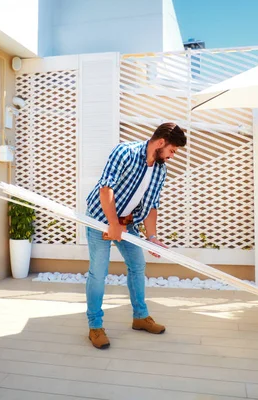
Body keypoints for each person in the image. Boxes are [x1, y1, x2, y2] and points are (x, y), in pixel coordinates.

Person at [84, 122, 187, 349]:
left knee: (137, 266)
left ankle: (140, 317)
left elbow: (152, 205)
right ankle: (95, 326)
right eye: (172, 151)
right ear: (161, 143)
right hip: (100, 220)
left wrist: (151, 237)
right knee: (99, 272)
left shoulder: (160, 169)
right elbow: (106, 188)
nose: (171, 156)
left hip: (127, 223)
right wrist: (112, 224)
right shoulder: (125, 152)